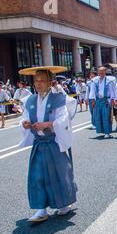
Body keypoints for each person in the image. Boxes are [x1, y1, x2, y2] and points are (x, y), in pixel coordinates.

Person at [18, 66, 78, 223]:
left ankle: (63, 204)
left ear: (50, 82)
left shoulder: (59, 99)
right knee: (37, 176)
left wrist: (48, 124)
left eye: (42, 80)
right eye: (36, 80)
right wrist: (24, 123)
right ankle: (41, 209)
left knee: (60, 174)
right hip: (39, 144)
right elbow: (25, 117)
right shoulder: (30, 100)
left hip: (53, 143)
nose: (38, 84)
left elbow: (63, 119)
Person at [89, 66, 117, 139]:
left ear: (105, 72)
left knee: (106, 116)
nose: (101, 73)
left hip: (106, 100)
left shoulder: (110, 81)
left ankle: (107, 132)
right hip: (98, 101)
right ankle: (102, 130)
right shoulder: (94, 80)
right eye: (100, 71)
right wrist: (92, 100)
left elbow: (113, 90)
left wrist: (114, 99)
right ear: (98, 72)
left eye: (102, 71)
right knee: (98, 116)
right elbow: (92, 91)